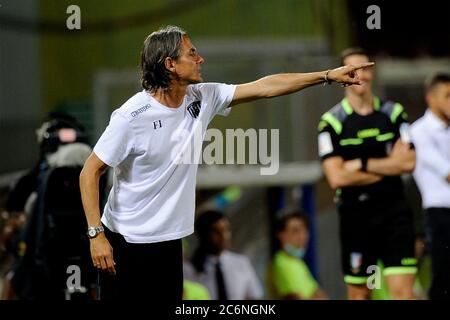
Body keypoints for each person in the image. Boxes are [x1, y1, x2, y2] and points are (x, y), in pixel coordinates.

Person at [79, 25, 374, 300]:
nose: (200, 58)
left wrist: (326, 76)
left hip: (168, 245)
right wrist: (96, 235)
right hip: (124, 243)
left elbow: (265, 87)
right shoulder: (131, 117)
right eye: (191, 53)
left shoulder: (203, 97)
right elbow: (90, 172)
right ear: (169, 64)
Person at [317, 47, 417, 300]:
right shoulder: (331, 122)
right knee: (360, 294)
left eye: (364, 68)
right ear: (341, 77)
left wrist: (358, 164)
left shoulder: (394, 114)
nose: (358, 74)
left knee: (403, 294)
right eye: (351, 69)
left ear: (372, 72)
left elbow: (408, 163)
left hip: (395, 213)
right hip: (356, 217)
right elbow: (336, 178)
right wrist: (387, 164)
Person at [410, 73, 450, 300]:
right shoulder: (419, 132)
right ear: (431, 99)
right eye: (447, 96)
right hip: (439, 215)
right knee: (443, 279)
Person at [183, 210, 262, 300]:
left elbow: (253, 297)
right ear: (201, 235)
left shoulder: (241, 263)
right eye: (216, 231)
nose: (224, 236)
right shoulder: (188, 270)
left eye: (226, 229)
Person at [268, 209, 327, 300]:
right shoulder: (280, 263)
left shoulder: (298, 262)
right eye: (295, 231)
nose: (302, 236)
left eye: (304, 230)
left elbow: (320, 293)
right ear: (281, 235)